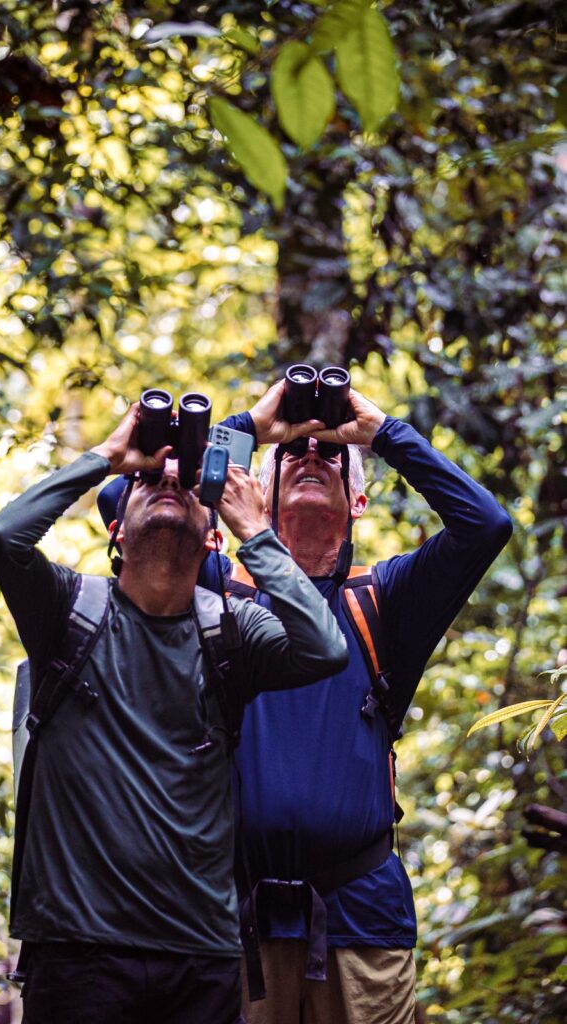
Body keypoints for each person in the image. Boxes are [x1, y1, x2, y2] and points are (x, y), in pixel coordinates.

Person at [0, 401, 348, 1024]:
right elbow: (1, 538)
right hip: (76, 952)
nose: (169, 481)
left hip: (200, 959)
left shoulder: (232, 629)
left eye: (187, 482)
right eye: (148, 481)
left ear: (212, 535)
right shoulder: (67, 611)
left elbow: (325, 649)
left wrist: (255, 531)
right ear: (117, 532)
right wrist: (108, 458)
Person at [198, 380, 513, 1024]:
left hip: (360, 919)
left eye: (330, 454)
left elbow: (486, 525)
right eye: (293, 452)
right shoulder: (215, 589)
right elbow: (135, 502)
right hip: (237, 918)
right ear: (259, 493)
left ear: (359, 501)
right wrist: (251, 427)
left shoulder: (384, 598)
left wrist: (382, 433)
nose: (311, 455)